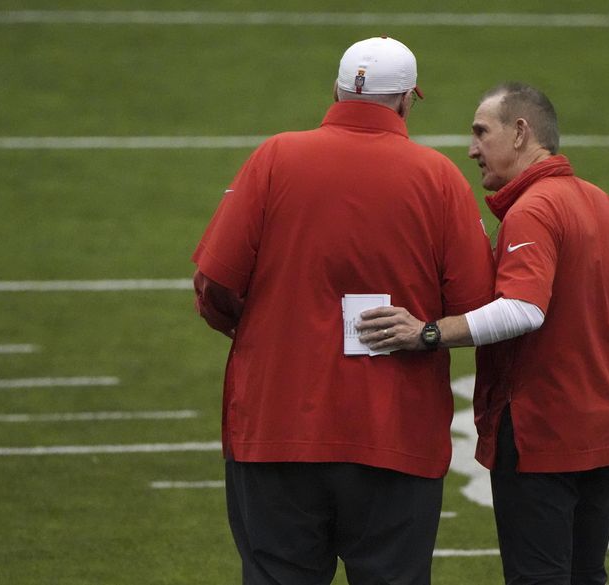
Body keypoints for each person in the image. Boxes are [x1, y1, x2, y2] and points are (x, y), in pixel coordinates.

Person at [191, 37, 494, 585]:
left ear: (335, 88)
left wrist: (259, 330)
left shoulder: (274, 157)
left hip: (275, 426)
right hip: (395, 436)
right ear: (406, 101)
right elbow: (475, 309)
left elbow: (213, 283)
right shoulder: (439, 179)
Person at [358, 82, 609, 585]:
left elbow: (523, 310)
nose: (471, 149)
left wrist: (426, 333)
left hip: (542, 433)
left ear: (520, 133)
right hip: (605, 432)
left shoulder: (533, 208)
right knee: (586, 575)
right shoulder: (606, 205)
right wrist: (601, 394)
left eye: (480, 132)